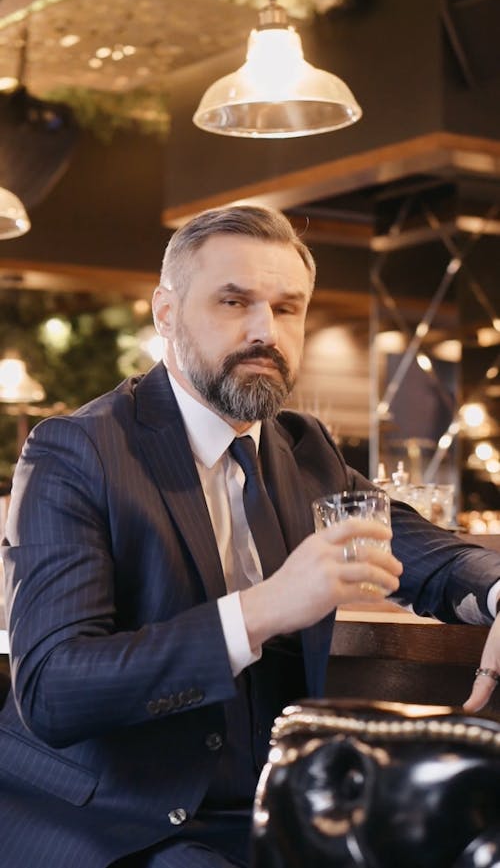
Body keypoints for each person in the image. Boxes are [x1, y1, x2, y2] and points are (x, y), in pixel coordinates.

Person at [0, 204, 499, 868]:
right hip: (120, 818)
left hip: (275, 808)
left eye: (287, 307)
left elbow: (424, 553)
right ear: (167, 313)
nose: (265, 330)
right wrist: (267, 607)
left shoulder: (307, 447)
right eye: (233, 300)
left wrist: (496, 588)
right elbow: (52, 689)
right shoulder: (75, 451)